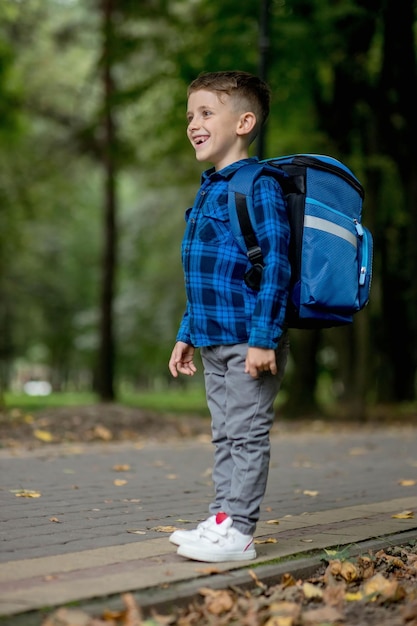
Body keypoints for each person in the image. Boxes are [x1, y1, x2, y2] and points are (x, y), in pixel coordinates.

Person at [168, 70, 291, 563]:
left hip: (248, 339)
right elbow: (206, 274)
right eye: (189, 116)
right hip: (213, 336)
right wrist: (186, 334)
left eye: (205, 113)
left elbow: (276, 265)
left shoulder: (258, 185)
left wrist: (264, 338)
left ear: (243, 122)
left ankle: (239, 532)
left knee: (247, 432)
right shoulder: (208, 189)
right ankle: (220, 518)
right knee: (224, 434)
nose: (193, 124)